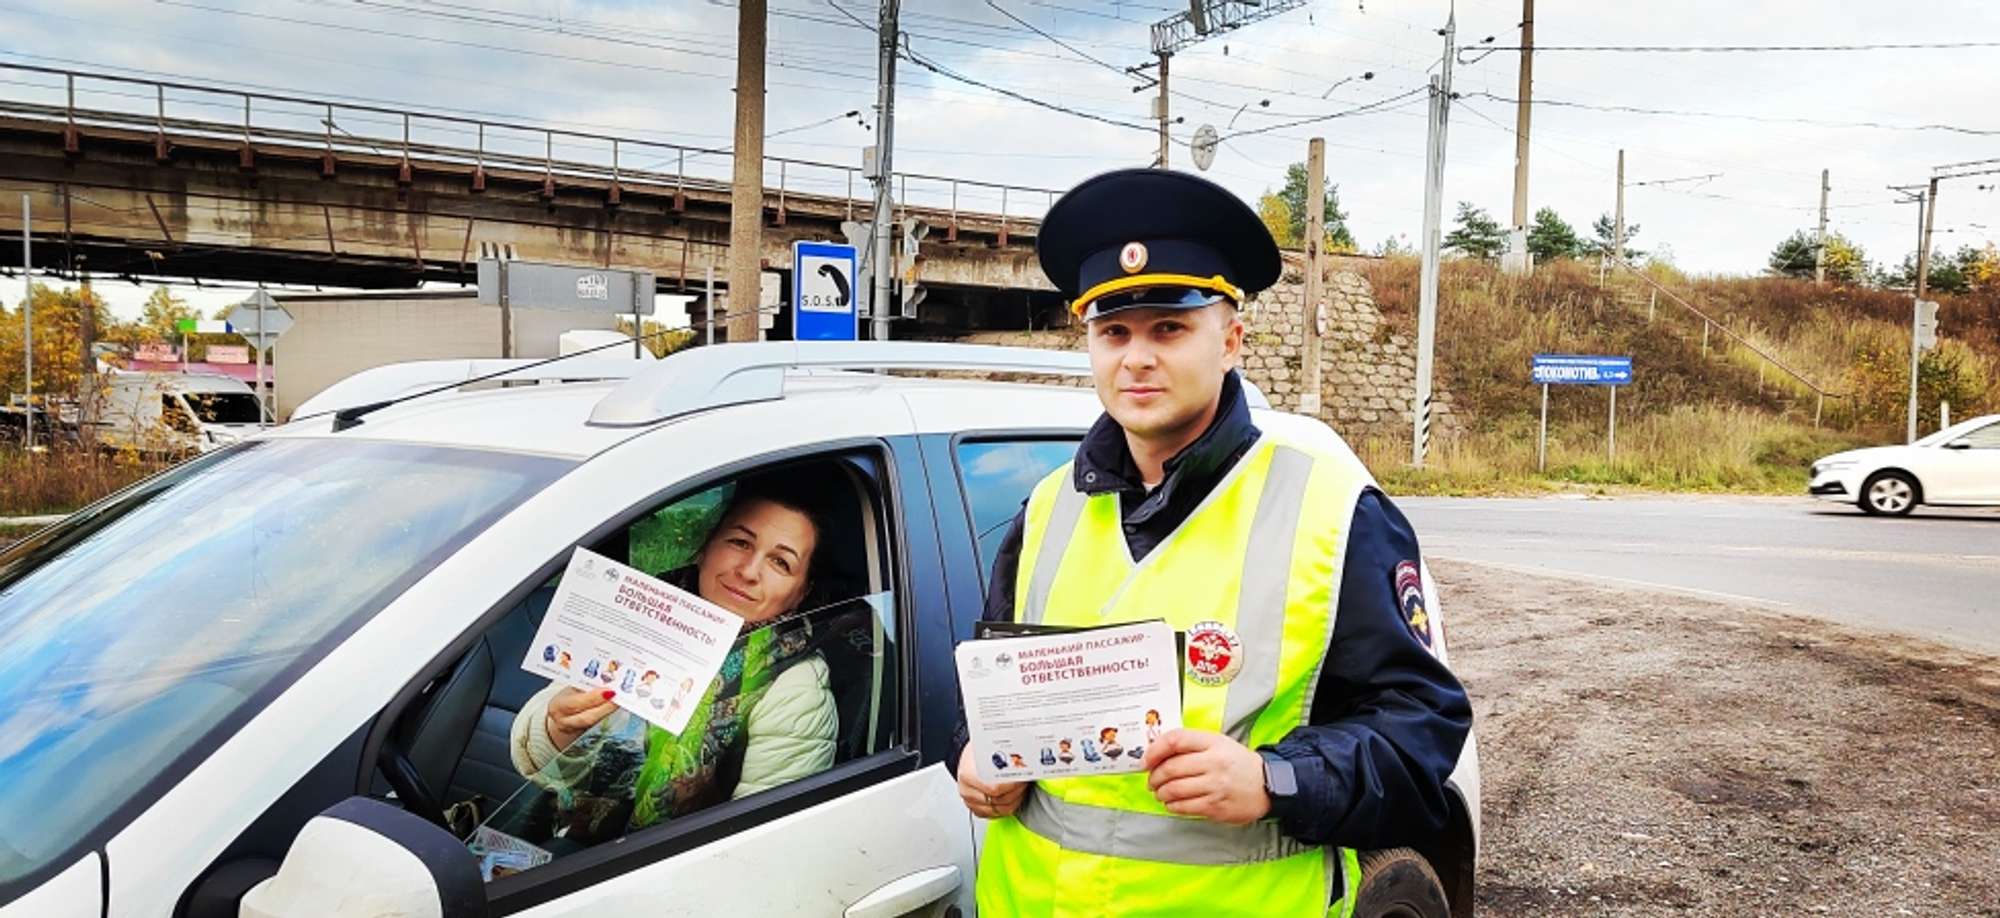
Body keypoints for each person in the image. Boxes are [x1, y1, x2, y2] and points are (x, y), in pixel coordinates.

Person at [956, 168, 1473, 918]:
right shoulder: (1045, 510)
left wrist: (1274, 782)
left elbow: (1422, 731)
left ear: (1230, 339)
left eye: (1169, 328)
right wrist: (971, 757)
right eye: (1113, 332)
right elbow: (992, 689)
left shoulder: (1332, 510)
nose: (1136, 358)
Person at [506, 474, 840, 845]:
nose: (748, 571)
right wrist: (560, 730)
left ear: (800, 593)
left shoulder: (796, 685)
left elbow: (760, 844)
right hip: (571, 843)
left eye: (780, 562)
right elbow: (533, 763)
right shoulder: (636, 617)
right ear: (705, 548)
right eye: (740, 542)